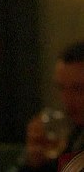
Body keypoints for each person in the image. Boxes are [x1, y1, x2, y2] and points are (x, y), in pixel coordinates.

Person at [15, 40, 84, 172]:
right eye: (61, 88)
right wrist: (34, 163)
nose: (67, 99)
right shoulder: (71, 132)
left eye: (78, 88)